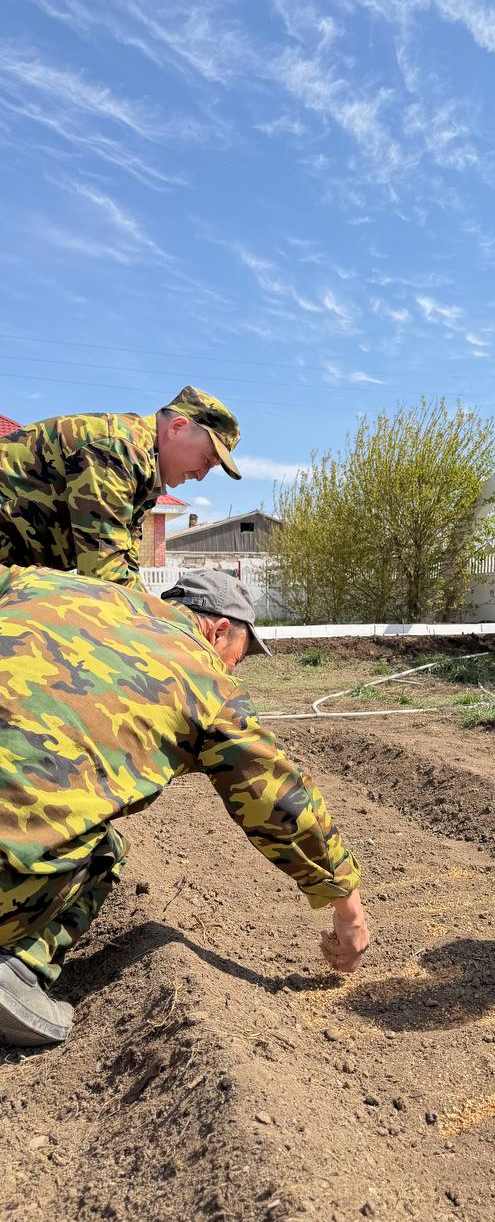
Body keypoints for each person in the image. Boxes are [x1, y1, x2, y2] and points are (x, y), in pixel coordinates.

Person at [0, 566, 368, 1048]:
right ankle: (17, 970)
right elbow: (281, 801)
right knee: (102, 850)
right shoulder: (206, 680)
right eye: (237, 657)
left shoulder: (39, 583)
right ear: (218, 630)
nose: (232, 670)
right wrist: (348, 911)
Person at [0, 385, 242, 590]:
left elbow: (126, 567)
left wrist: (155, 615)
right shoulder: (118, 450)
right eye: (206, 460)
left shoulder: (144, 472)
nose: (201, 475)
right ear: (177, 427)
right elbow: (104, 575)